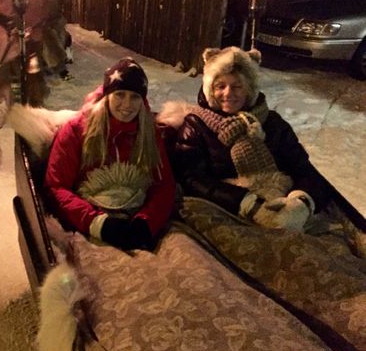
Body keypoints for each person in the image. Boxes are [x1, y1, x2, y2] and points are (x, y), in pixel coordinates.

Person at [163, 46, 343, 231]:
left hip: (281, 202)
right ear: (210, 89)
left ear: (249, 89)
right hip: (226, 209)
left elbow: (304, 170)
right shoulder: (196, 125)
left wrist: (301, 203)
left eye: (237, 86)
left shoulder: (273, 124)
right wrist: (248, 204)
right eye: (220, 86)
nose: (228, 93)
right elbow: (190, 178)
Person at [44, 57, 176, 250]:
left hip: (137, 216)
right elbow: (56, 186)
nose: (127, 104)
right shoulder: (76, 130)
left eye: (135, 97)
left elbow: (164, 184)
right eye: (120, 94)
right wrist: (97, 224)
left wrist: (146, 223)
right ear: (107, 95)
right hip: (90, 218)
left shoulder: (148, 132)